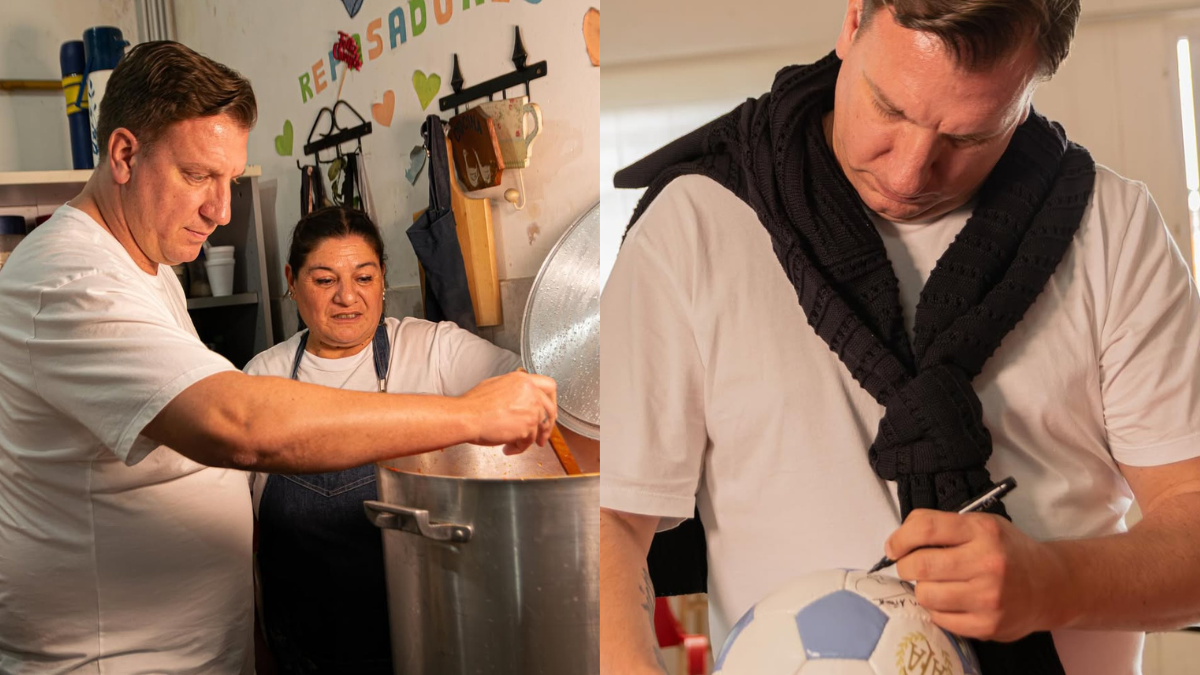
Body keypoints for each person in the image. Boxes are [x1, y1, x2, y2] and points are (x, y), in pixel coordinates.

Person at [600, 2, 1200, 675]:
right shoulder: (695, 227)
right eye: (889, 108)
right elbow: (608, 526)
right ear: (853, 18)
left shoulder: (1114, 230)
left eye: (968, 138)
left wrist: (1052, 582)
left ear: (1033, 86)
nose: (910, 173)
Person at [0, 41, 556, 673]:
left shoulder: (144, 265)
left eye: (230, 181)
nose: (221, 209)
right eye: (197, 175)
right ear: (124, 154)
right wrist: (471, 416)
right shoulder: (71, 278)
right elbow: (237, 426)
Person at [241, 206, 526, 673]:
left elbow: (524, 388)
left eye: (364, 278)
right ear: (292, 281)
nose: (347, 297)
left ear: (384, 279)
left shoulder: (434, 350)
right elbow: (243, 536)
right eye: (325, 280)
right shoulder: (263, 376)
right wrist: (255, 644)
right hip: (301, 651)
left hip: (427, 642)